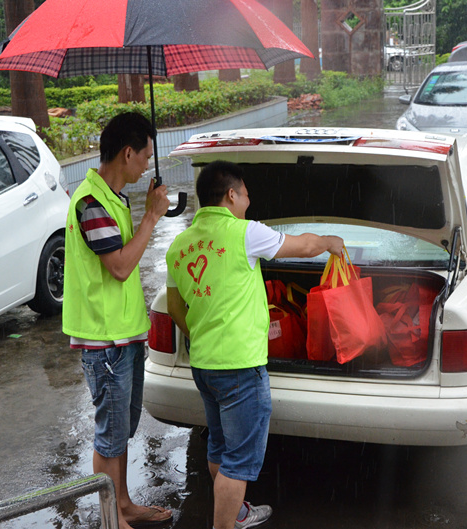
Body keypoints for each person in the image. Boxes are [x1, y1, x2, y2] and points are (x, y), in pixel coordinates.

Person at [165, 160, 344, 529]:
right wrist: (330, 242)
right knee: (240, 461)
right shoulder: (244, 233)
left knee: (219, 447)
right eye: (245, 192)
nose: (249, 199)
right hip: (240, 368)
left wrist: (200, 334)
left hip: (205, 365)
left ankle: (237, 511)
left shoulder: (178, 246)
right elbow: (305, 246)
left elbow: (173, 306)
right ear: (231, 195)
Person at [62, 112, 172, 529]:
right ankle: (111, 520)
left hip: (124, 333)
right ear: (127, 153)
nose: (147, 164)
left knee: (122, 427)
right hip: (103, 340)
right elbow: (121, 267)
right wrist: (152, 217)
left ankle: (122, 503)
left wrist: (145, 213)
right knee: (110, 434)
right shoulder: (91, 203)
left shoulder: (113, 198)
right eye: (145, 155)